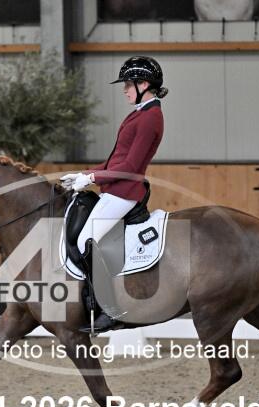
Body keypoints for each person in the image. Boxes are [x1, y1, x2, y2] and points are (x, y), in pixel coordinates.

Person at [61, 55, 168, 334]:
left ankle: (109, 310)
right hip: (115, 188)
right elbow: (114, 161)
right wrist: (84, 174)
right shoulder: (140, 113)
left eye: (128, 85)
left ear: (144, 84)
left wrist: (92, 179)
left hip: (124, 192)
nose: (124, 90)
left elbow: (130, 167)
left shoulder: (151, 117)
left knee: (86, 240)